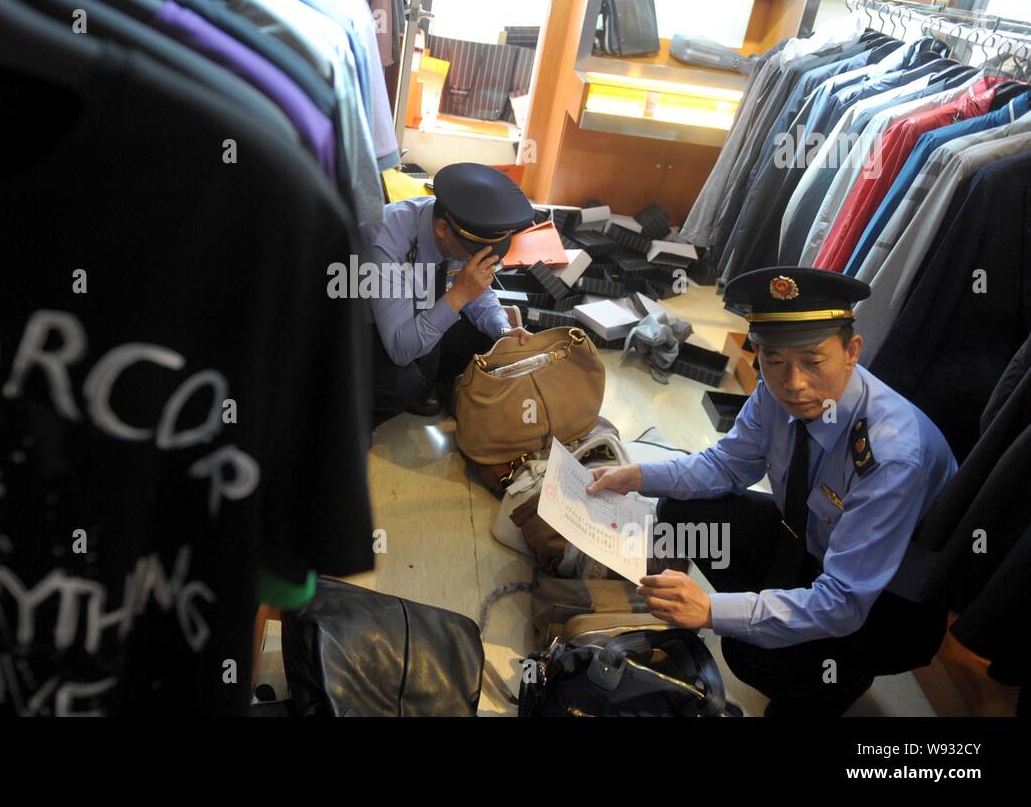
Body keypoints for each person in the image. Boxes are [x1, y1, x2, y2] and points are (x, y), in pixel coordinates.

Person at [588, 266, 957, 716]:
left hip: (883, 600)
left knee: (756, 659)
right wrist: (639, 475)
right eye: (774, 360)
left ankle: (836, 681)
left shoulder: (890, 456)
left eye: (813, 360)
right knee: (683, 510)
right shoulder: (773, 391)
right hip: (810, 539)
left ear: (852, 351)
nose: (794, 382)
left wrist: (714, 611)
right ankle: (673, 601)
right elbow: (725, 465)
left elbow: (843, 601)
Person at [361, 162, 535, 427]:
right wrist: (458, 296)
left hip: (414, 303)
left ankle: (441, 384)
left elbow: (479, 288)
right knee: (401, 383)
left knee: (488, 339)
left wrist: (504, 332)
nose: (476, 260)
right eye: (472, 253)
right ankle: (351, 417)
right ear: (443, 229)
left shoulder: (455, 232)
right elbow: (399, 348)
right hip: (358, 319)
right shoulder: (385, 240)